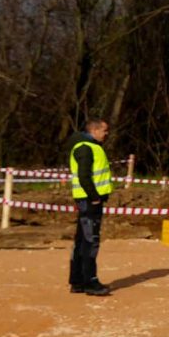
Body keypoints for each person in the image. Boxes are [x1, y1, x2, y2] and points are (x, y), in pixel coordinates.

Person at [68, 116, 115, 296]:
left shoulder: (90, 146)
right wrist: (94, 197)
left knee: (82, 240)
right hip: (89, 201)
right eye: (104, 130)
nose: (106, 134)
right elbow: (84, 175)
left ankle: (78, 280)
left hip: (87, 200)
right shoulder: (86, 148)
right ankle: (90, 281)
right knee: (90, 240)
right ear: (94, 130)